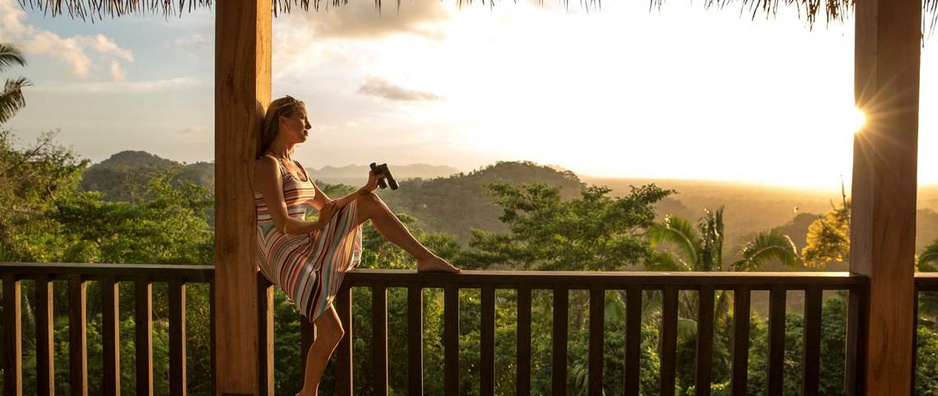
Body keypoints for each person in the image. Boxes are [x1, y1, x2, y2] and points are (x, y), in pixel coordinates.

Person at [254, 95, 460, 396]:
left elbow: (328, 206)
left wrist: (364, 190)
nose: (309, 125)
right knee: (332, 330)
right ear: (284, 121)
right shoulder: (267, 165)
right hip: (280, 248)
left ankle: (425, 257)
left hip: (301, 241)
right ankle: (307, 393)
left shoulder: (295, 165)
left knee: (370, 203)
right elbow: (283, 224)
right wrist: (318, 226)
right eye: (303, 118)